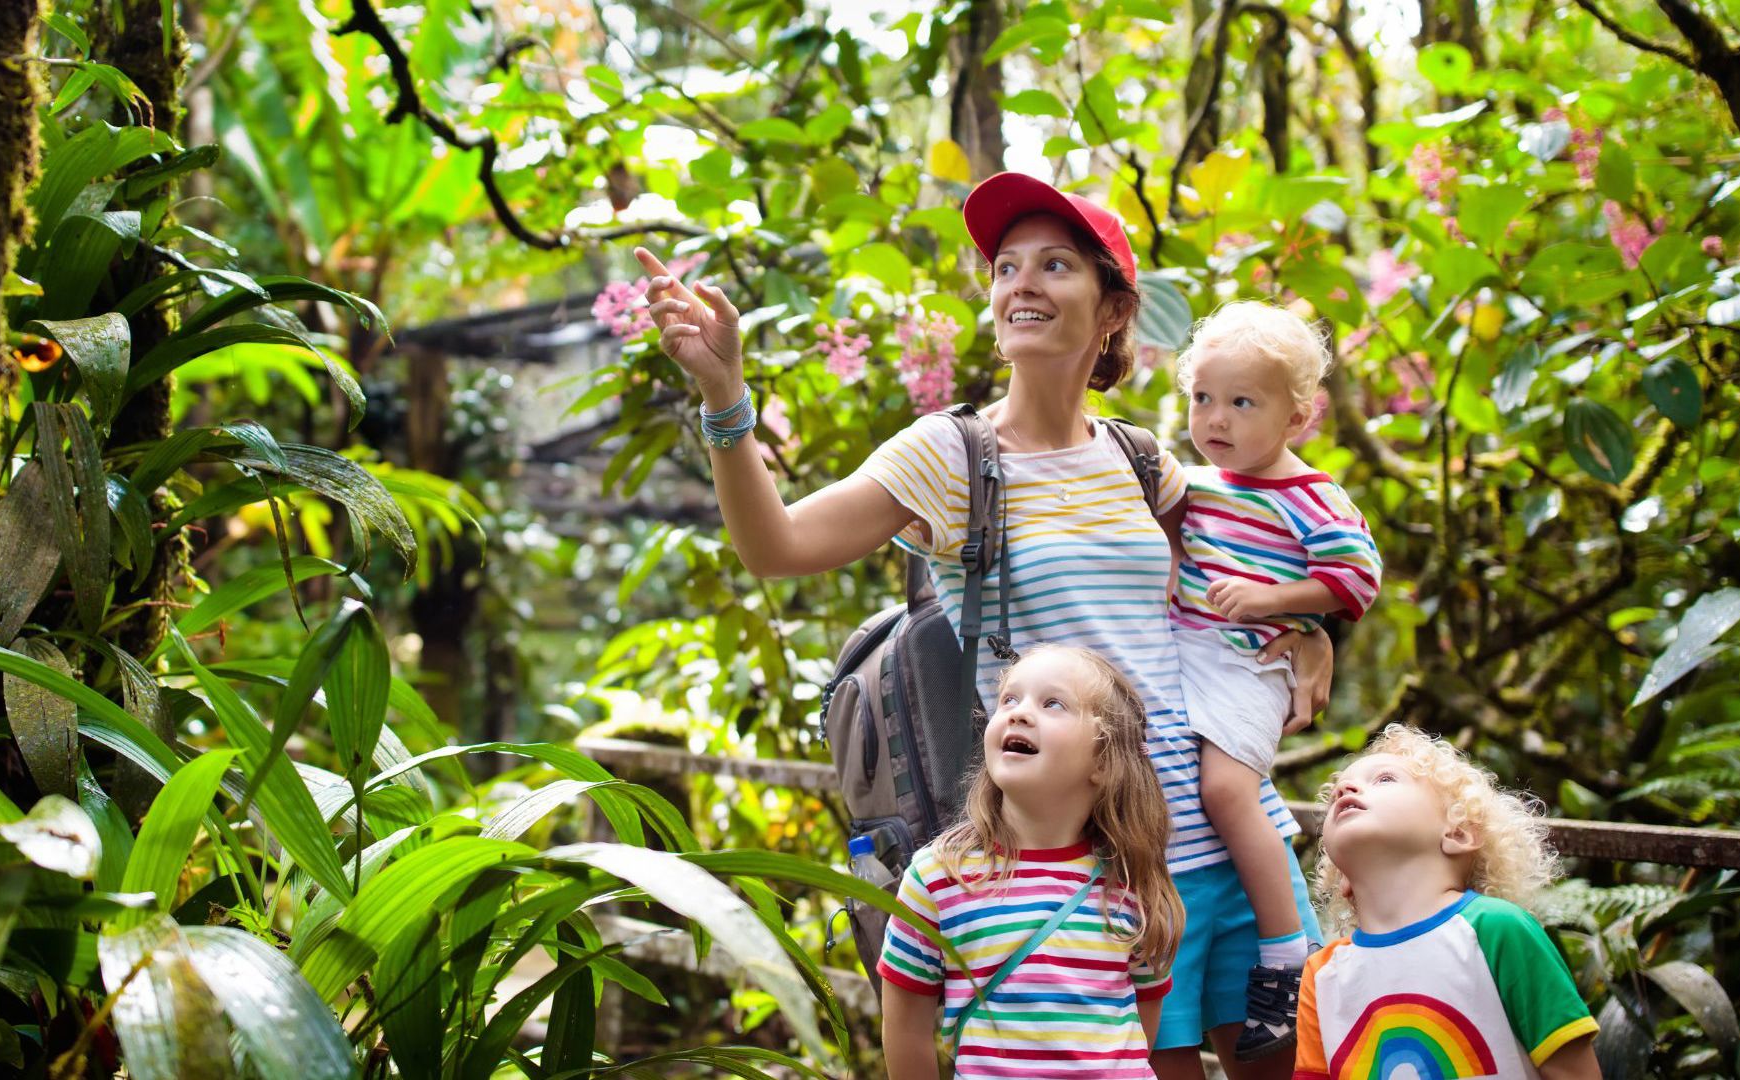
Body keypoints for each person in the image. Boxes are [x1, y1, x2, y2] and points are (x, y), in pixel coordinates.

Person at [634, 169, 1332, 1078]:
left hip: (1222, 832)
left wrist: (1311, 631)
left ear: (1114, 308)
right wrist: (726, 401)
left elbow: (1231, 580)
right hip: (1095, 862)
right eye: (1006, 267)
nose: (1022, 284)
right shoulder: (949, 454)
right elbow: (778, 547)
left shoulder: (1141, 457)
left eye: (1054, 265)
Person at [1166, 302, 1383, 1060]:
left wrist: (1281, 606)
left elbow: (1356, 576)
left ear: (1297, 419)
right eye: (1203, 399)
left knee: (1227, 790)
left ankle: (1285, 949)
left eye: (1241, 403)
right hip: (1190, 655)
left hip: (1248, 663)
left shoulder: (1308, 496)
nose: (1215, 419)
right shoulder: (1196, 482)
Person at [877, 645, 1184, 1078]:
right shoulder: (938, 878)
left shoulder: (1130, 880)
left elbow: (1141, 1021)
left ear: (1102, 760)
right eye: (1009, 700)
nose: (1018, 713)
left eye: (1052, 703)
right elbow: (905, 1028)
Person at [1293, 725, 1601, 1080]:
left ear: (1458, 833)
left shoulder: (1498, 930)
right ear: (1341, 877)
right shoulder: (1322, 976)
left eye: (1385, 779)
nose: (1345, 789)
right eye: (1335, 796)